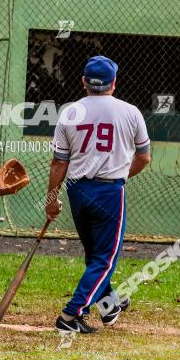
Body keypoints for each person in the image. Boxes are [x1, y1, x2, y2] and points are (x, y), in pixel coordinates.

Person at [45, 55, 150, 333]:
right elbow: (144, 157)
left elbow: (59, 163)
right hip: (109, 192)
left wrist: (51, 199)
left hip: (77, 190)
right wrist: (120, 177)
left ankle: (109, 304)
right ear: (113, 83)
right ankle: (70, 316)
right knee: (104, 258)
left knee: (95, 255)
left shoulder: (69, 112)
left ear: (84, 82)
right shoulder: (131, 112)